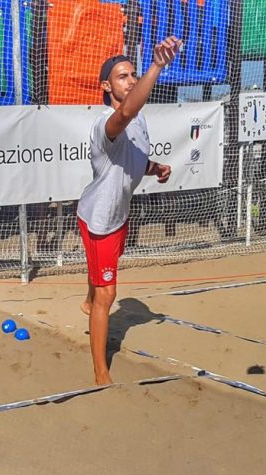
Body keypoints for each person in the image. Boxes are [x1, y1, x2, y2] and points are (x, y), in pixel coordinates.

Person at [77, 36, 181, 385]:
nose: (131, 79)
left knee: (100, 283)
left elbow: (132, 159)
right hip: (99, 221)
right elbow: (126, 112)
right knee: (109, 293)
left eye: (134, 74)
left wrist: (155, 168)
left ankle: (89, 300)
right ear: (106, 86)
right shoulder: (107, 122)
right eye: (123, 76)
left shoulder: (139, 122)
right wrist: (157, 66)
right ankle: (100, 371)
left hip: (119, 215)